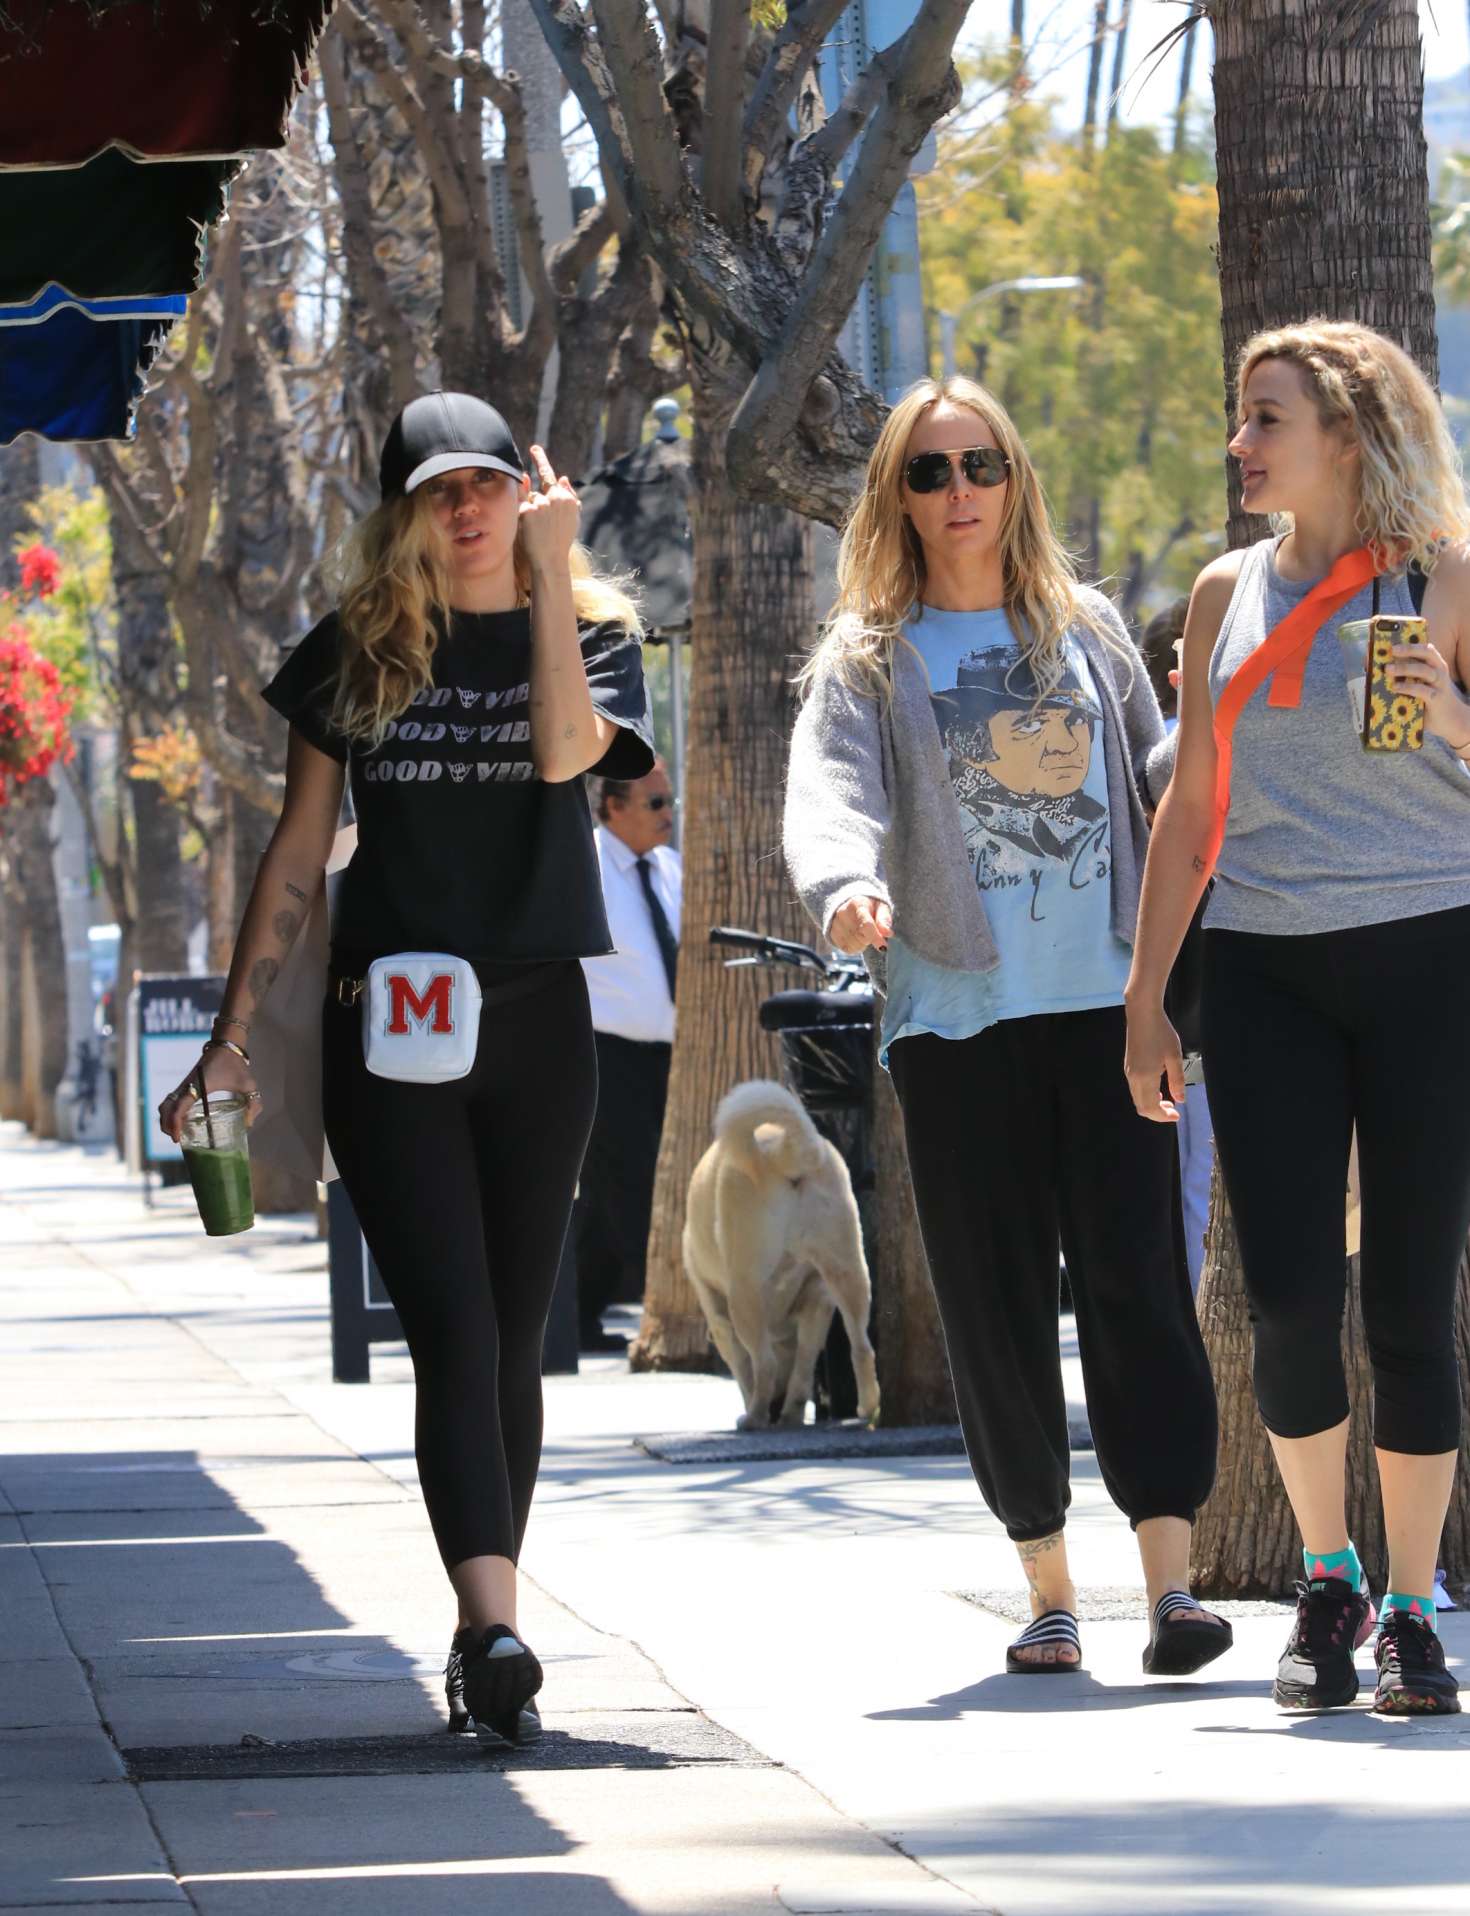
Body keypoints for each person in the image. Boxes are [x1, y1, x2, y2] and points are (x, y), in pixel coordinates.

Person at [157, 390, 653, 1741]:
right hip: (396, 1027)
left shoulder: (596, 639)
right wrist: (230, 1037)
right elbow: (299, 852)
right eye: (442, 492)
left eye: (489, 483)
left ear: (524, 494)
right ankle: (492, 1627)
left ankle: (481, 1618)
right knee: (451, 1329)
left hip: (542, 1020)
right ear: (405, 517)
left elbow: (569, 757)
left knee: (514, 1338)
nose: (471, 508)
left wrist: (550, 583)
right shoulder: (353, 654)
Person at [784, 375, 1227, 1678]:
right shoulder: (867, 656)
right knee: (991, 1306)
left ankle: (1170, 1588)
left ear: (1013, 478)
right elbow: (828, 793)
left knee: (1139, 1288)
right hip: (956, 1024)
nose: (957, 492)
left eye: (978, 465)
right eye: (928, 473)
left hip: (1106, 1011)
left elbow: (1157, 781)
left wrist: (1217, 730)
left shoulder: (1082, 632)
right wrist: (843, 883)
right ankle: (1045, 1585)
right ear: (897, 499)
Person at [1124, 319, 1470, 1715]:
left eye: (1265, 418)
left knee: (1405, 1301)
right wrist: (1145, 998)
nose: (1240, 443)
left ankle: (1409, 1604)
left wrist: (1451, 713)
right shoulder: (1219, 592)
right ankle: (1322, 1581)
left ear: (1345, 427)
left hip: (1428, 960)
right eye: (1239, 417)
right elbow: (1189, 807)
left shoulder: (1443, 576)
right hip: (1262, 969)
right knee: (1279, 1293)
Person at [577, 760, 680, 1352]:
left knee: (625, 1187)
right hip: (605, 1052)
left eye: (668, 802)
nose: (668, 815)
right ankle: (607, 1310)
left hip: (664, 1056)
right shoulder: (585, 864)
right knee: (623, 1182)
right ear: (613, 805)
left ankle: (584, 1312)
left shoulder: (669, 869)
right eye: (655, 803)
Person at [1139, 597, 1215, 1293]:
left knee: (1193, 1195)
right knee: (1201, 1194)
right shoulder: (1172, 759)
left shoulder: (1151, 761)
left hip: (1184, 1018)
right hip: (1202, 1015)